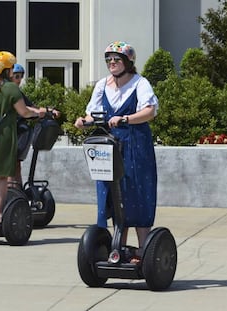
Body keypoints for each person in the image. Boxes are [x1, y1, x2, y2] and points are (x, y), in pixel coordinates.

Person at [74, 41, 158, 262]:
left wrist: (126, 118)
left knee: (137, 192)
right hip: (110, 146)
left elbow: (150, 111)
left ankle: (143, 251)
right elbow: (94, 114)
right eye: (109, 59)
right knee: (112, 194)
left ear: (127, 62)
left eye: (116, 59)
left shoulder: (140, 83)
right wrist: (84, 121)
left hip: (135, 146)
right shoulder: (102, 85)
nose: (111, 63)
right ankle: (117, 247)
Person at [0, 51, 45, 225]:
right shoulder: (10, 88)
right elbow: (23, 111)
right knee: (1, 177)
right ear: (7, 69)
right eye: (11, 67)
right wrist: (39, 113)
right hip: (2, 138)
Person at [7, 64, 60, 188]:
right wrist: (42, 111)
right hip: (10, 132)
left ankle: (18, 192)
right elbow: (25, 109)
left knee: (16, 164)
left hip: (19, 131)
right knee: (10, 165)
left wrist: (47, 110)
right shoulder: (7, 92)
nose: (19, 80)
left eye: (20, 76)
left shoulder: (17, 92)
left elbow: (32, 108)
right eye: (16, 76)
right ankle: (10, 194)